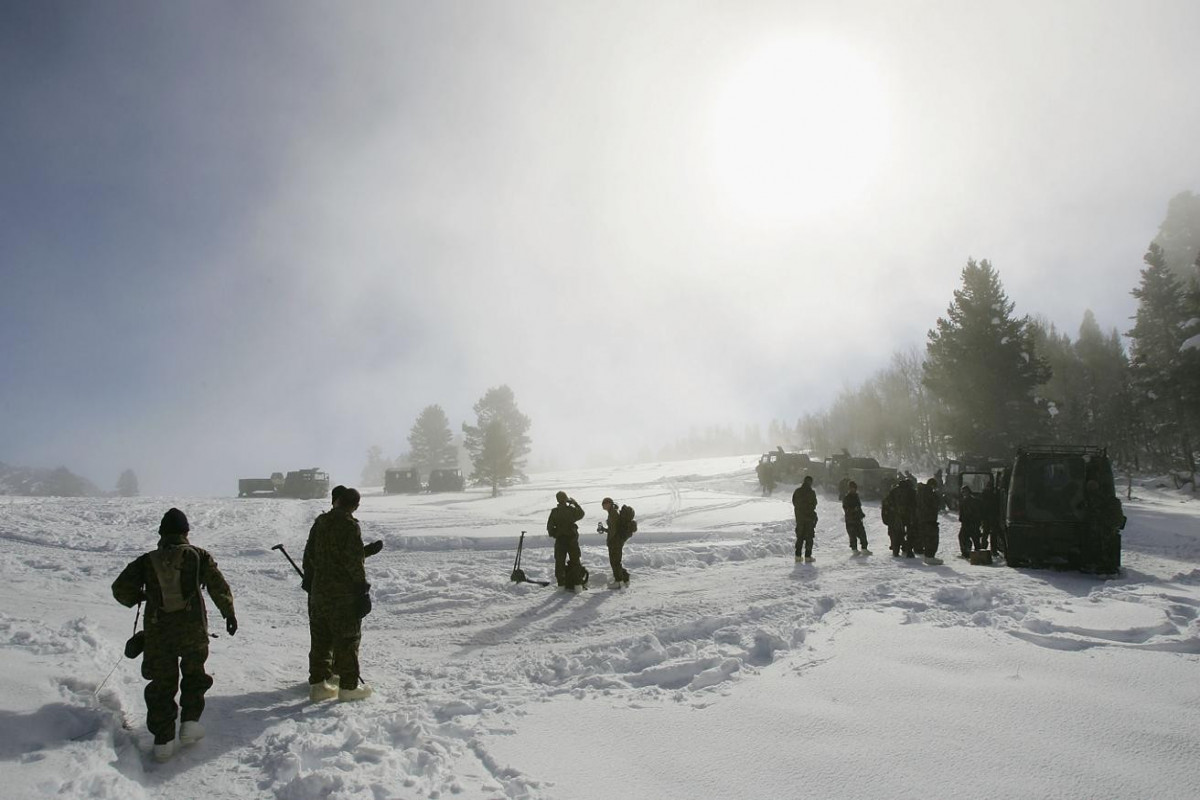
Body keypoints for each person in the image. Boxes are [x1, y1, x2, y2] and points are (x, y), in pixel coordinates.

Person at [111, 508, 237, 762]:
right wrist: (229, 614)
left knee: (161, 685)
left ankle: (163, 741)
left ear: (161, 533)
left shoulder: (147, 561)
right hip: (193, 631)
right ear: (185, 532)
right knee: (194, 676)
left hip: (158, 634)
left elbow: (120, 589)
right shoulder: (198, 556)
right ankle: (190, 724)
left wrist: (142, 596)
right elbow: (218, 586)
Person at [303, 488, 374, 702]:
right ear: (355, 506)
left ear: (338, 500)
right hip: (342, 595)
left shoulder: (320, 522)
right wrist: (362, 589)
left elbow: (309, 554)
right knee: (347, 639)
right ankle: (348, 687)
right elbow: (353, 561)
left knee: (320, 639)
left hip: (319, 592)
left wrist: (311, 579)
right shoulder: (349, 526)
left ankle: (318, 686)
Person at [547, 491, 586, 591]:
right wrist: (575, 503)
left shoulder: (554, 512)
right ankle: (578, 585)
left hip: (560, 540)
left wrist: (557, 534)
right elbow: (581, 514)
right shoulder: (571, 510)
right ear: (565, 499)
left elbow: (550, 528)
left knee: (559, 562)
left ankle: (561, 585)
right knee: (575, 561)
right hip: (572, 540)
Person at [599, 497, 630, 588]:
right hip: (617, 540)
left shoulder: (613, 513)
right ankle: (624, 579)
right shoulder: (613, 512)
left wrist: (611, 541)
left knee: (614, 562)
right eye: (603, 503)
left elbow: (613, 530)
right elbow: (613, 528)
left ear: (609, 504)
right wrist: (604, 529)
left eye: (605, 503)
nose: (603, 505)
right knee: (616, 561)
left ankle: (618, 581)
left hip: (615, 541)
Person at [792, 475, 818, 562]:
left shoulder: (797, 491)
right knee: (809, 537)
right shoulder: (811, 493)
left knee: (800, 537)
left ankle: (798, 556)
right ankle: (807, 556)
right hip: (809, 518)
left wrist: (800, 511)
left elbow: (794, 502)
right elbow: (814, 504)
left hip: (799, 518)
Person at [916, 478, 942, 563]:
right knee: (932, 538)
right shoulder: (931, 494)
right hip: (930, 519)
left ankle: (920, 551)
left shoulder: (919, 492)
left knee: (923, 536)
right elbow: (937, 505)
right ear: (932, 485)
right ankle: (930, 557)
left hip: (920, 519)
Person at [842, 480, 871, 555]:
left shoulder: (856, 496)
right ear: (849, 489)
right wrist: (853, 510)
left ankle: (864, 548)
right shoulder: (847, 498)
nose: (853, 490)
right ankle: (854, 550)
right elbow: (846, 509)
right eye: (851, 488)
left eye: (854, 488)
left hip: (857, 519)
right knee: (852, 535)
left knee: (862, 534)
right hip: (850, 520)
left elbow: (859, 507)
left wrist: (861, 514)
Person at [958, 486, 983, 559]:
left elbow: (977, 513)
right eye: (962, 492)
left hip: (972, 523)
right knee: (964, 537)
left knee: (974, 539)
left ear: (968, 492)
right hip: (967, 523)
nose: (963, 493)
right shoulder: (964, 501)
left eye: (965, 492)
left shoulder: (973, 501)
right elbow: (962, 513)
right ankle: (968, 553)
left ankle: (976, 554)